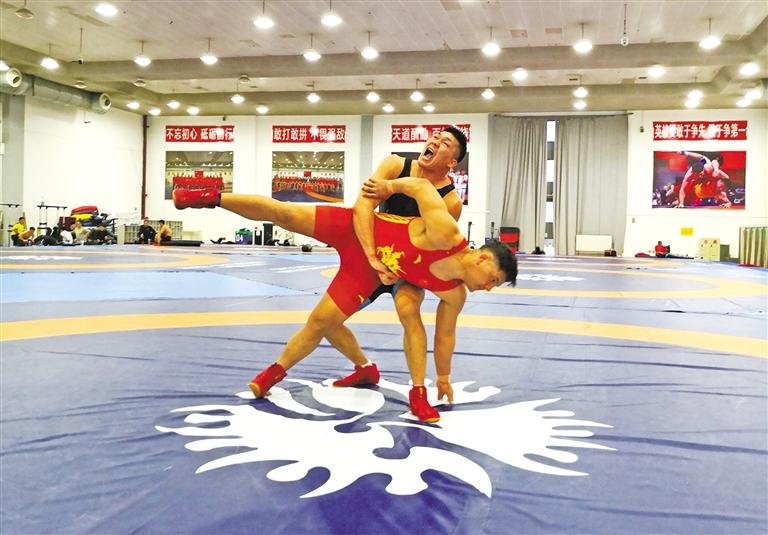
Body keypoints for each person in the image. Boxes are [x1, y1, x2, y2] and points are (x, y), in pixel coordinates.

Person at [172, 176, 517, 422]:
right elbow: (423, 187)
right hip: (358, 232)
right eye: (494, 280)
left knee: (323, 321)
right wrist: (388, 187)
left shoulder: (454, 293)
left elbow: (445, 336)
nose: (489, 288)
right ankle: (210, 196)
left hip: (369, 271)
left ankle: (280, 371)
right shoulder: (446, 234)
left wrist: (442, 378)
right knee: (286, 214)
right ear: (483, 259)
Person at [326, 126, 467, 421]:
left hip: (407, 268)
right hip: (372, 258)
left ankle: (418, 391)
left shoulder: (450, 201)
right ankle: (365, 368)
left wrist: (400, 267)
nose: (435, 140)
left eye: (445, 142)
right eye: (435, 136)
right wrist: (371, 255)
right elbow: (362, 206)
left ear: (452, 162)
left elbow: (434, 245)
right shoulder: (395, 164)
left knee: (409, 312)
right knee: (326, 320)